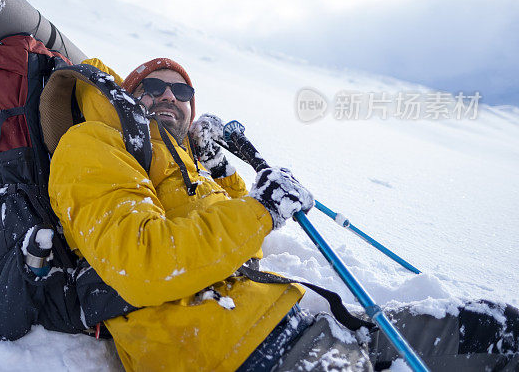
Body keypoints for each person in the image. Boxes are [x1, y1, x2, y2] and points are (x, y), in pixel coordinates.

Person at [47, 57, 518, 371]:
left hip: (289, 325)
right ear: (127, 98)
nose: (170, 96)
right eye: (153, 87)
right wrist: (261, 211)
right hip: (235, 351)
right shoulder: (94, 144)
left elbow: (230, 242)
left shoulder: (178, 163)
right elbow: (145, 263)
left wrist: (219, 173)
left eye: (182, 90)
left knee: (495, 328)